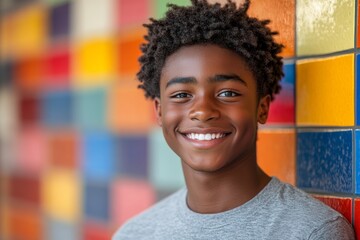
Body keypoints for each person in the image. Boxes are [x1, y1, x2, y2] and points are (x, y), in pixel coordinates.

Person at [113, 0, 355, 239]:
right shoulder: (134, 234)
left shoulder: (312, 231)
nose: (202, 111)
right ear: (160, 111)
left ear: (262, 108)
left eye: (228, 93)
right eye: (182, 95)